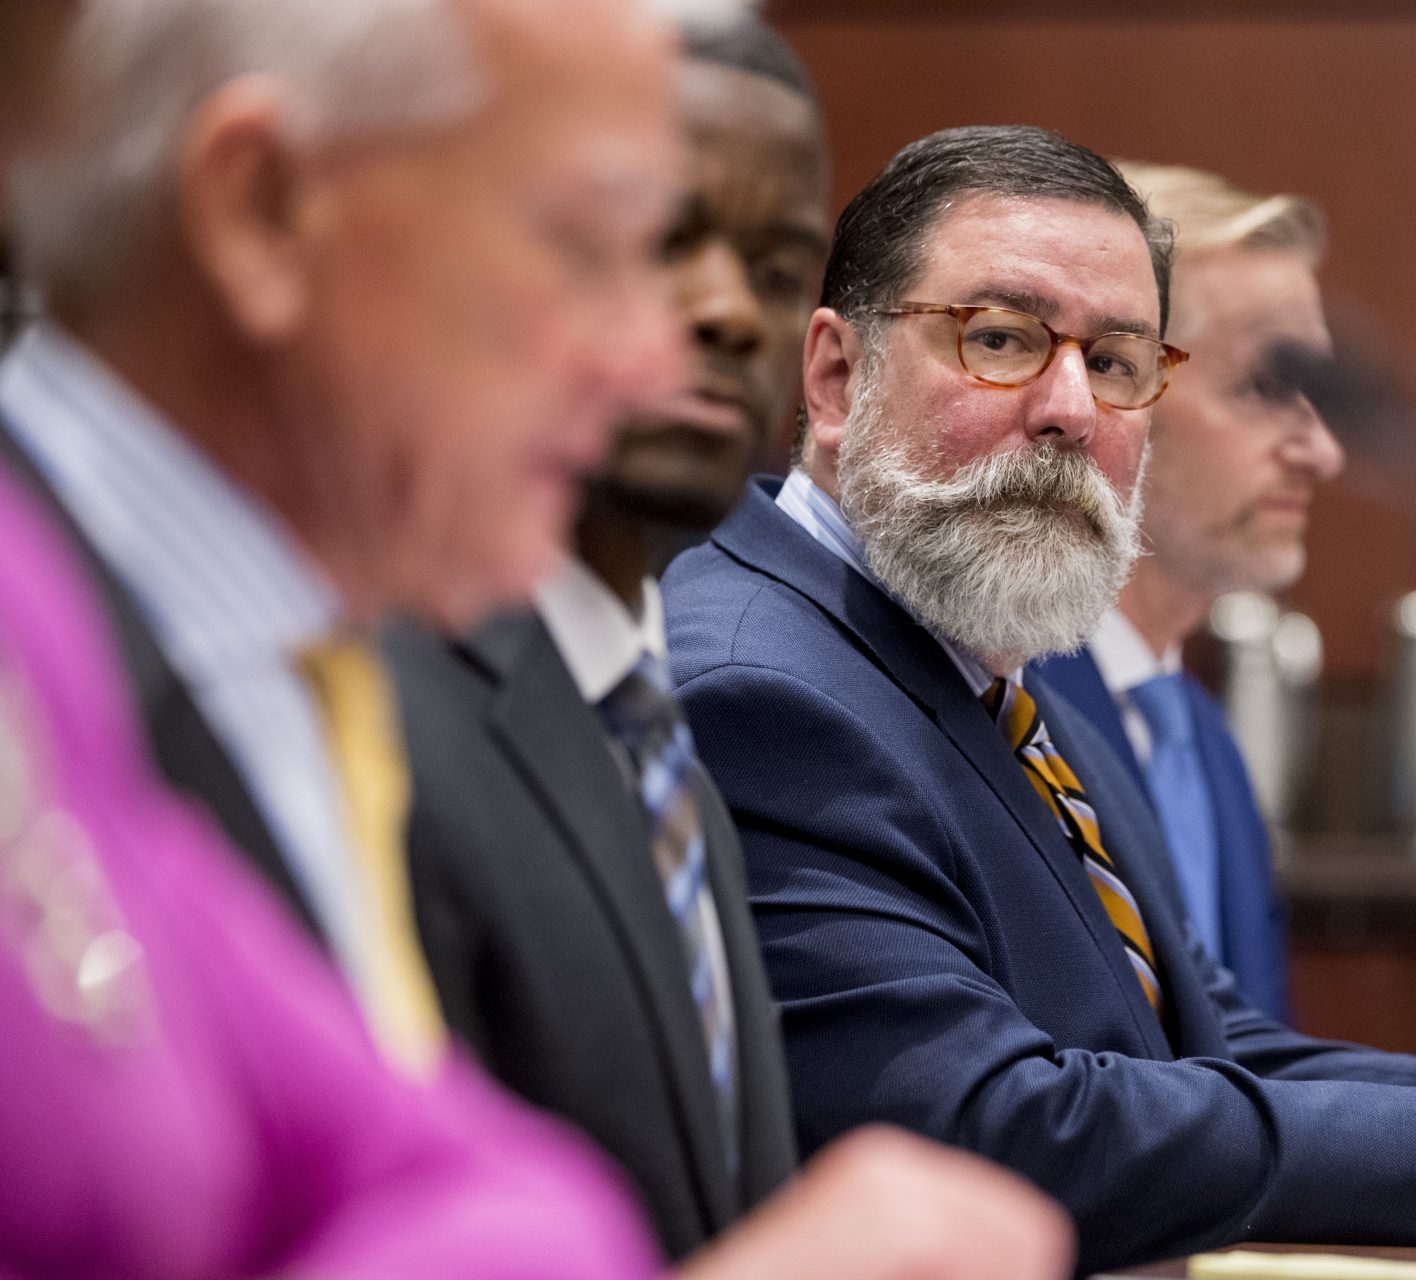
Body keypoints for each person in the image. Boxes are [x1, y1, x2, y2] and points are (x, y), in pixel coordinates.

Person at [0, 4, 1072, 1278]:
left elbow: (494, 1187)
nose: (646, 354)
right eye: (589, 245)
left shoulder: (245, 660)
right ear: (266, 209)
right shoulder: (58, 637)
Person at [663, 124, 1416, 1275]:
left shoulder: (1002, 687)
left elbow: (1208, 1052)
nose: (1071, 408)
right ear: (836, 378)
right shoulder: (763, 691)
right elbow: (986, 1135)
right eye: (1000, 339)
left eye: (1120, 360)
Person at [388, 13, 832, 1258]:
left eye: (778, 261)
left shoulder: (659, 732)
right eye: (663, 238)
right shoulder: (389, 707)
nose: (728, 309)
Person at [1032, 163, 1344, 1022]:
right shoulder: (1003, 712)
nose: (1322, 453)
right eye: (1265, 387)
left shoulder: (1203, 737)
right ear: (1114, 388)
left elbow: (1259, 1080)